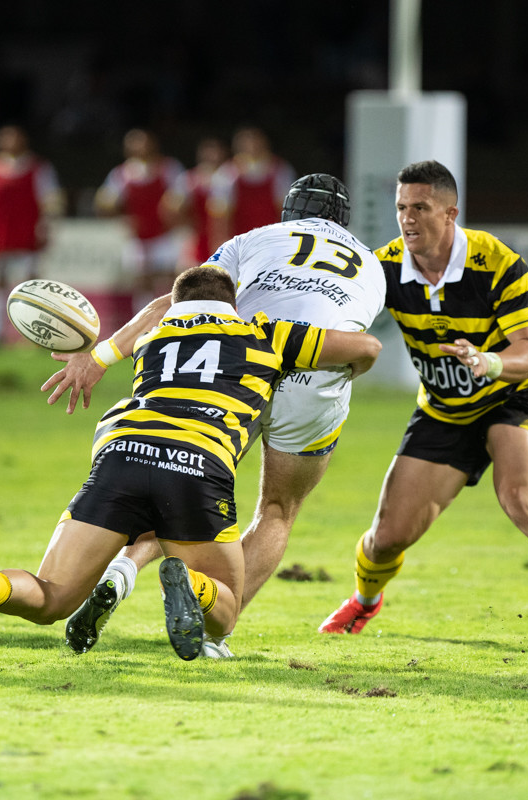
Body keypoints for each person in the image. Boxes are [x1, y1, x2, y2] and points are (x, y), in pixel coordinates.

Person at [0, 266, 381, 660]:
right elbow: (367, 348)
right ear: (232, 304)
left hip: (121, 457)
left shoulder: (154, 335)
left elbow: (121, 342)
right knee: (226, 610)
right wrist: (344, 367)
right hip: (198, 463)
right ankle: (188, 582)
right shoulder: (268, 333)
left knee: (52, 598)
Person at [48, 174, 385, 658]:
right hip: (317, 372)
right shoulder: (371, 265)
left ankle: (122, 572)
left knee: (176, 469)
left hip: (238, 364)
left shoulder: (256, 238)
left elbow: (173, 303)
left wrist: (99, 357)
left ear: (288, 213)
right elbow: (364, 340)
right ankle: (212, 633)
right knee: (277, 510)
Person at [317, 160, 528, 651]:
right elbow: (334, 313)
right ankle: (364, 600)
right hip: (444, 411)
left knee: (521, 498)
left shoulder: (496, 262)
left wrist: (490, 362)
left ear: (451, 213)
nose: (408, 219)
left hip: (508, 398)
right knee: (386, 537)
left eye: (421, 208)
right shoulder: (382, 268)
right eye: (402, 208)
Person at [0, 125, 64, 345]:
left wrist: (48, 227)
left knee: (31, 285)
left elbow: (51, 200)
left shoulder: (38, 169)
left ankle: (34, 334)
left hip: (29, 235)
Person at [94, 128, 184, 313]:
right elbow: (105, 202)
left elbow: (181, 196)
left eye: (143, 142)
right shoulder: (121, 174)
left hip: (164, 235)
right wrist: (118, 213)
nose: (139, 147)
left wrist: (173, 210)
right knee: (142, 281)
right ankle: (143, 324)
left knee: (171, 279)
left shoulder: (168, 168)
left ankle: (173, 317)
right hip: (138, 237)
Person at [207, 127, 295, 250]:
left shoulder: (281, 171)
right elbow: (220, 218)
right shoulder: (226, 174)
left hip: (271, 242)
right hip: (239, 243)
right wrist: (221, 247)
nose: (252, 146)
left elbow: (286, 212)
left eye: (255, 141)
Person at [162, 136, 228, 270]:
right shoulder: (189, 180)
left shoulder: (231, 176)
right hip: (198, 239)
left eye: (216, 152)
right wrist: (186, 226)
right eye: (209, 152)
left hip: (225, 239)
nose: (213, 156)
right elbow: (171, 207)